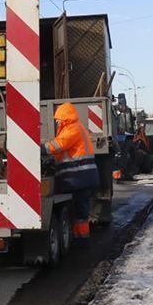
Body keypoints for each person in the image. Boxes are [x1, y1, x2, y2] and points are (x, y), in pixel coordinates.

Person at [43, 102, 100, 242]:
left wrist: (37, 147)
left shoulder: (72, 129)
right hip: (83, 178)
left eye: (58, 120)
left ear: (64, 118)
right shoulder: (77, 128)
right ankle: (80, 237)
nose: (56, 122)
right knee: (80, 209)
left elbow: (59, 145)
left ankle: (81, 239)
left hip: (79, 178)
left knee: (79, 210)